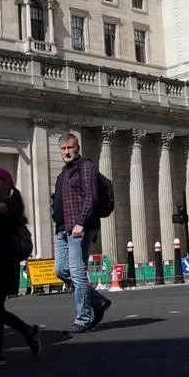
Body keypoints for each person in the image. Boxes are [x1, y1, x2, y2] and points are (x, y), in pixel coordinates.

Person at [0, 168, 41, 367]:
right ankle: (29, 332)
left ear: (6, 183)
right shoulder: (3, 204)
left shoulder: (11, 204)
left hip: (6, 262)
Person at [53, 133, 111, 333]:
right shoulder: (64, 171)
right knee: (61, 270)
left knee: (78, 273)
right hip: (62, 229)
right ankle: (98, 301)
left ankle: (83, 318)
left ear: (77, 148)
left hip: (79, 228)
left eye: (70, 147)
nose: (67, 152)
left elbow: (91, 196)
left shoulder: (85, 166)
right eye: (63, 148)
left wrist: (80, 222)